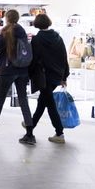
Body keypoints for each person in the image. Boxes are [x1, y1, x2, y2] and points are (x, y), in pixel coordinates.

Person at [0, 9, 36, 145]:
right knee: (23, 100)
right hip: (22, 70)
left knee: (0, 100)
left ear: (7, 19)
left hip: (7, 70)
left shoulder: (6, 32)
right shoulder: (22, 31)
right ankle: (30, 133)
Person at [28, 14, 71, 144]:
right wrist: (64, 76)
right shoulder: (58, 37)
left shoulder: (37, 40)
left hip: (44, 76)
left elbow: (34, 60)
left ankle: (59, 132)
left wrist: (28, 74)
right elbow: (64, 57)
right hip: (57, 75)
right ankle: (30, 124)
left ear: (37, 24)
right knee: (43, 101)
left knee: (50, 104)